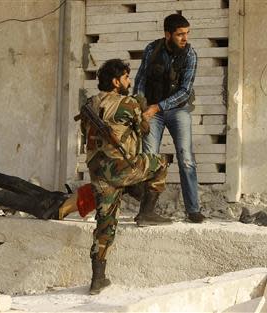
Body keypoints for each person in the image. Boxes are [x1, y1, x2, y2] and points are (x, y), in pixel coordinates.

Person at [83, 59, 170, 295]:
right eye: (126, 78)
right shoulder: (128, 103)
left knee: (105, 223)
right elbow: (144, 129)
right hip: (120, 169)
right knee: (160, 163)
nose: (128, 81)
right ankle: (146, 213)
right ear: (116, 81)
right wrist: (141, 109)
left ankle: (97, 279)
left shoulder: (90, 104)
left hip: (98, 173)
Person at [133, 14, 205, 223]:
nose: (185, 38)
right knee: (149, 158)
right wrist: (139, 105)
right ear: (167, 34)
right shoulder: (152, 49)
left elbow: (184, 91)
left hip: (177, 110)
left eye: (186, 33)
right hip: (152, 111)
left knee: (186, 158)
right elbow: (141, 80)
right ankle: (147, 211)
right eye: (180, 34)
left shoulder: (191, 54)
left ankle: (193, 209)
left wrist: (158, 107)